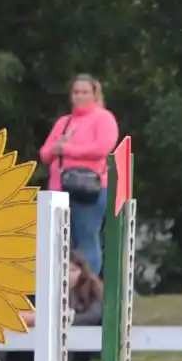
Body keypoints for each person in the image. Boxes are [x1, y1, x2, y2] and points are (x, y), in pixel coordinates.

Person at [39, 74, 118, 276]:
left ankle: (87, 288)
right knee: (59, 242)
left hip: (88, 188)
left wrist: (68, 149)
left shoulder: (103, 118)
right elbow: (45, 153)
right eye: (76, 92)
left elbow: (103, 148)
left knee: (86, 239)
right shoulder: (64, 122)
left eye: (85, 92)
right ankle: (63, 291)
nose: (80, 96)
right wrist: (56, 149)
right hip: (59, 189)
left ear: (94, 94)